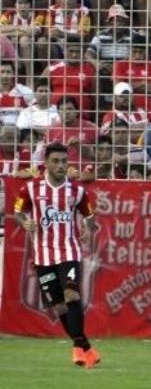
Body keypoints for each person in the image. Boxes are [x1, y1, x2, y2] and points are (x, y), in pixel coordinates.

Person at [13, 142, 101, 368]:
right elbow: (18, 211)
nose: (61, 165)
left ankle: (76, 349)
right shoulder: (31, 189)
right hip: (43, 257)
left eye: (64, 161)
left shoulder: (78, 191)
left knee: (71, 295)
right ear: (46, 164)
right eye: (56, 161)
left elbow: (90, 216)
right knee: (60, 306)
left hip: (69, 252)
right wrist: (26, 222)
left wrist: (88, 227)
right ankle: (86, 347)